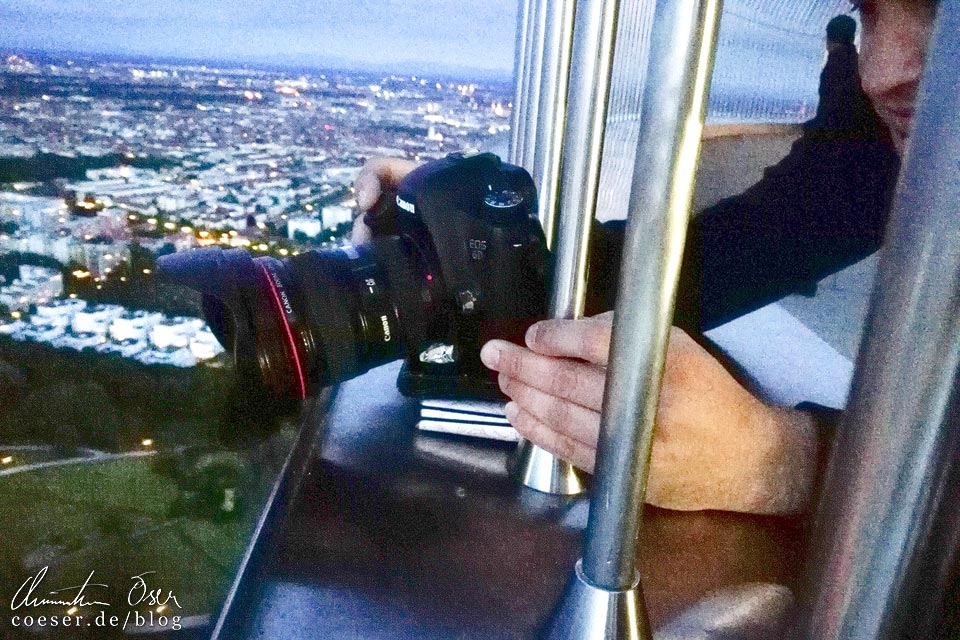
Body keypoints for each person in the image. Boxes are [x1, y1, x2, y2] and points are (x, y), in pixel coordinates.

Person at [352, 0, 937, 515]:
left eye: (936, 8)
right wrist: (485, 250)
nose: (882, 71)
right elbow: (755, 245)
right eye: (870, 11)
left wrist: (786, 462)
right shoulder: (880, 144)